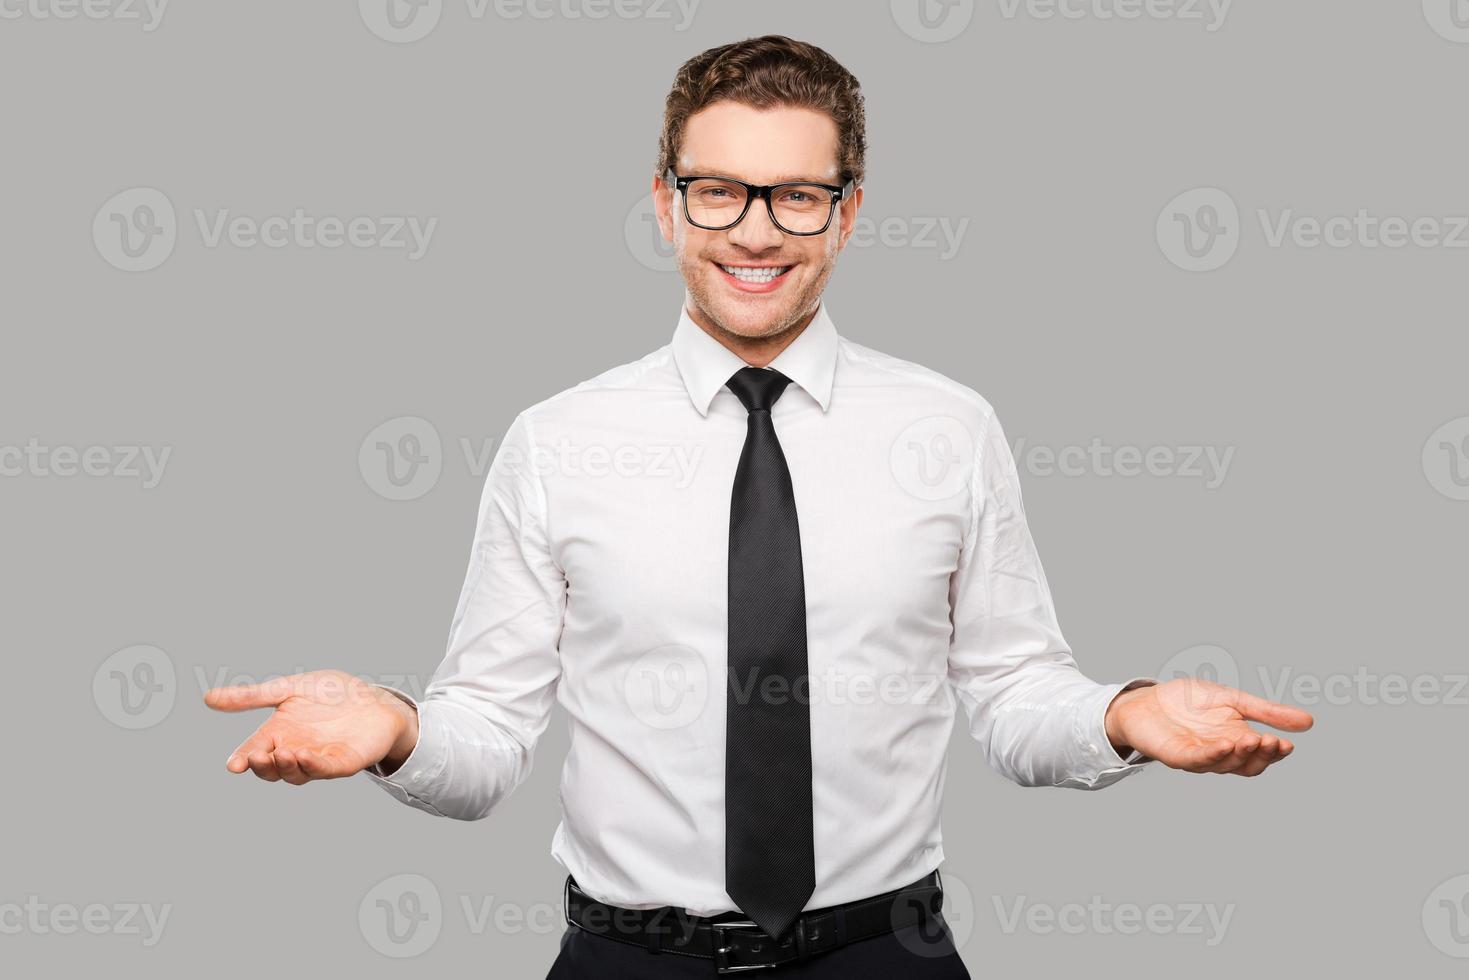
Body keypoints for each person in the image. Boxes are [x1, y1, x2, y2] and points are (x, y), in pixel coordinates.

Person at [204, 35, 1313, 978]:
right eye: (717, 189)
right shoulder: (557, 440)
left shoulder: (949, 427)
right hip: (624, 958)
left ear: (847, 210)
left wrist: (1121, 715)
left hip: (884, 952)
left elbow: (1014, 691)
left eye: (795, 193)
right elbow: (486, 737)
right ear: (663, 201)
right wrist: (398, 728)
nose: (753, 230)